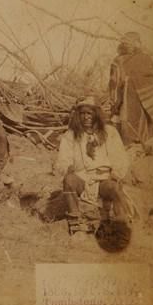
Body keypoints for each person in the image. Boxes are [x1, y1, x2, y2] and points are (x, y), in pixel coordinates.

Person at [54, 96, 131, 237]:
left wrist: (116, 172)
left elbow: (120, 157)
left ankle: (121, 225)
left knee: (114, 188)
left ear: (96, 114)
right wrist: (67, 168)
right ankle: (76, 224)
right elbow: (62, 159)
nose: (86, 117)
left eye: (89, 113)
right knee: (69, 180)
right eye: (82, 113)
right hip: (82, 178)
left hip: (103, 178)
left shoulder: (109, 132)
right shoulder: (71, 135)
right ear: (78, 115)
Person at [108, 31, 153, 152]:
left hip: (136, 101)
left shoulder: (139, 59)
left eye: (131, 42)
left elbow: (114, 85)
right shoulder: (123, 60)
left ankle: (141, 148)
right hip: (137, 101)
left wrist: (115, 104)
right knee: (135, 127)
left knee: (138, 129)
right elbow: (113, 83)